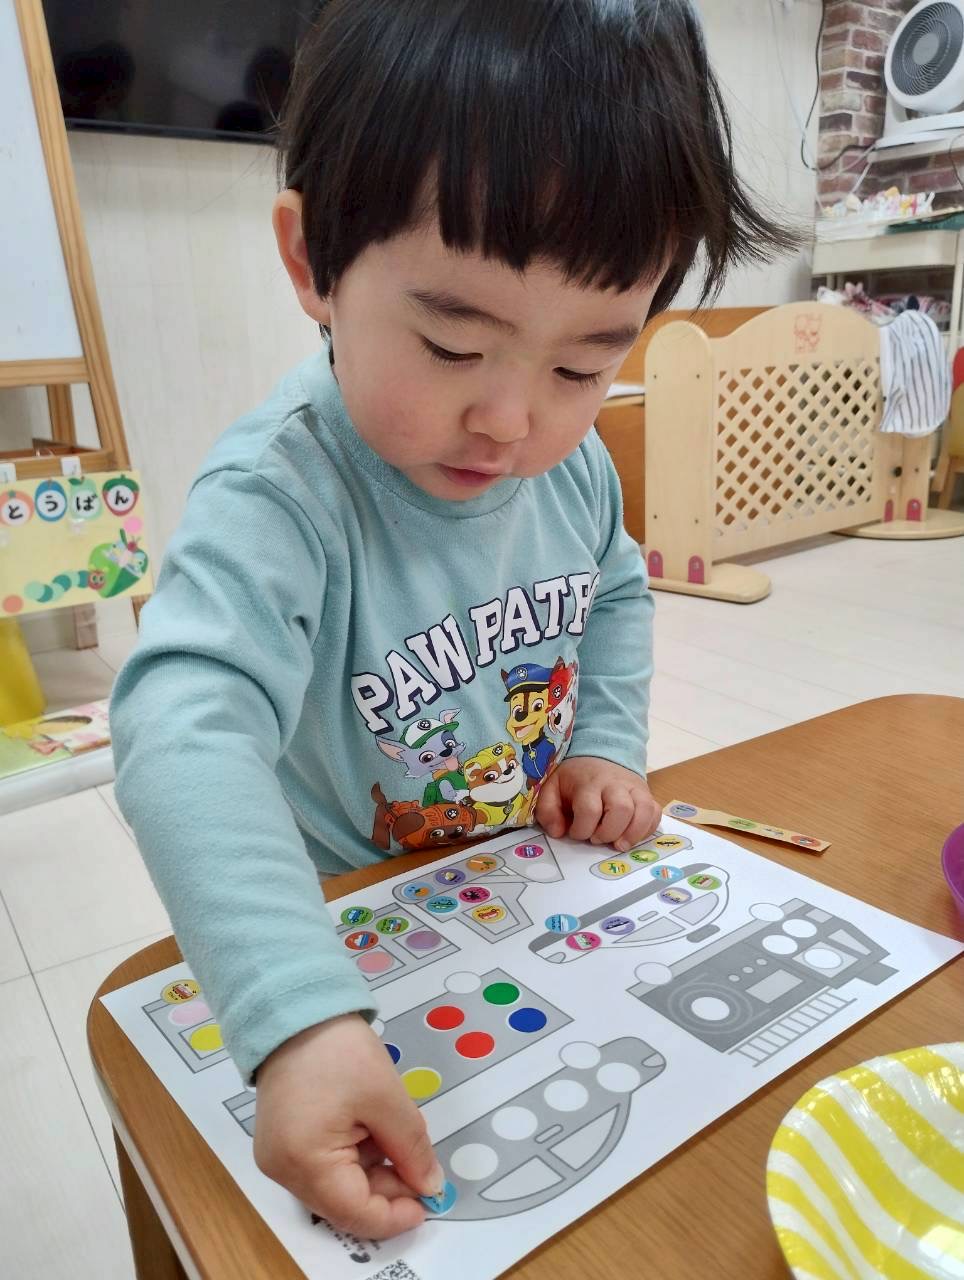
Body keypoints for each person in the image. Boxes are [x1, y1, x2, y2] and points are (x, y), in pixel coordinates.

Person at [111, 0, 794, 1243]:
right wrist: (295, 1014)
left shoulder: (568, 471)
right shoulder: (281, 493)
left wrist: (606, 743)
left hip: (520, 877)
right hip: (348, 910)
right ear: (314, 266)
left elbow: (614, 592)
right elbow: (181, 725)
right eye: (450, 343)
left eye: (583, 366)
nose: (511, 422)